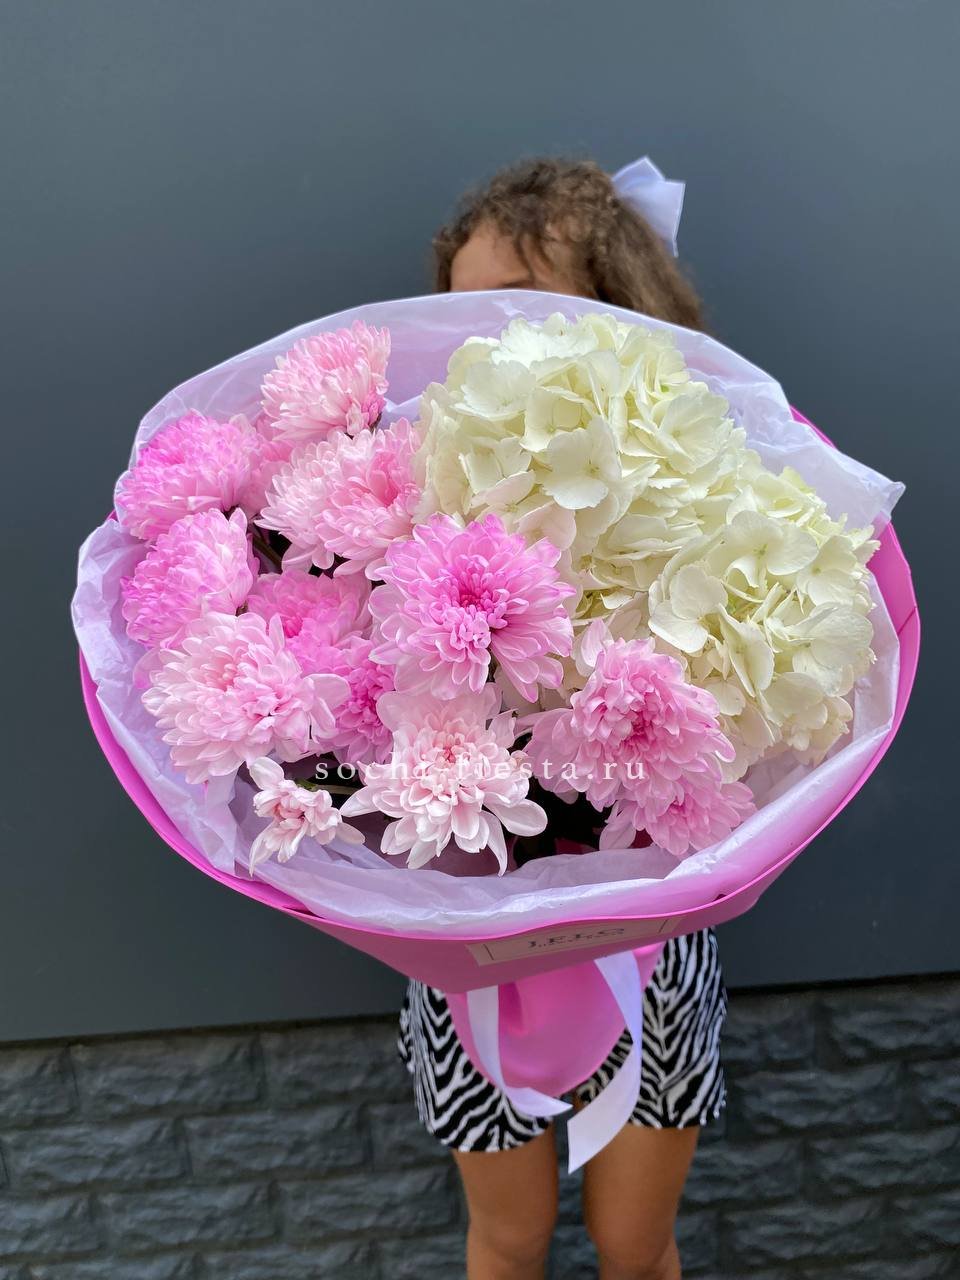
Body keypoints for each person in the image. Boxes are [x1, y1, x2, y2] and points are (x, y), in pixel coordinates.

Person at [398, 157, 725, 1280]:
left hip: (649, 925)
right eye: (462, 313)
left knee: (634, 1243)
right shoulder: (414, 476)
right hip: (469, 932)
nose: (487, 338)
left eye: (524, 305)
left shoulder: (698, 478)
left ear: (619, 307)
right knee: (509, 1235)